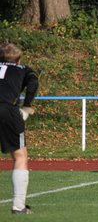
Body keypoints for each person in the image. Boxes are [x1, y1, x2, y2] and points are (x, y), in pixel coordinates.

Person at [0, 43, 39, 214]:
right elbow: (34, 83)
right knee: (20, 156)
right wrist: (27, 107)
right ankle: (18, 206)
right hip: (7, 110)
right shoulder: (23, 69)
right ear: (18, 59)